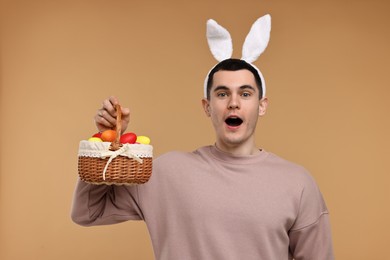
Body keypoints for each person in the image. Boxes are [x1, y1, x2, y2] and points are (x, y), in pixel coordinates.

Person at [71, 15, 334, 260]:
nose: (233, 103)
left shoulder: (297, 184)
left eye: (245, 94)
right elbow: (88, 212)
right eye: (222, 94)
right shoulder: (164, 173)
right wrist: (108, 140)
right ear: (207, 106)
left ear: (261, 105)